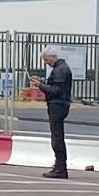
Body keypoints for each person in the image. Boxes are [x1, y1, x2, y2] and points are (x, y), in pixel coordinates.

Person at [26, 46, 73, 178]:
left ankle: (60, 168)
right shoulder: (60, 69)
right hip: (59, 104)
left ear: (53, 57)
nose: (45, 63)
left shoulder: (60, 70)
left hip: (58, 105)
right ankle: (59, 166)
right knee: (57, 136)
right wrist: (41, 82)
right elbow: (55, 86)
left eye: (46, 60)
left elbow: (55, 90)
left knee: (57, 137)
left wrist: (39, 85)